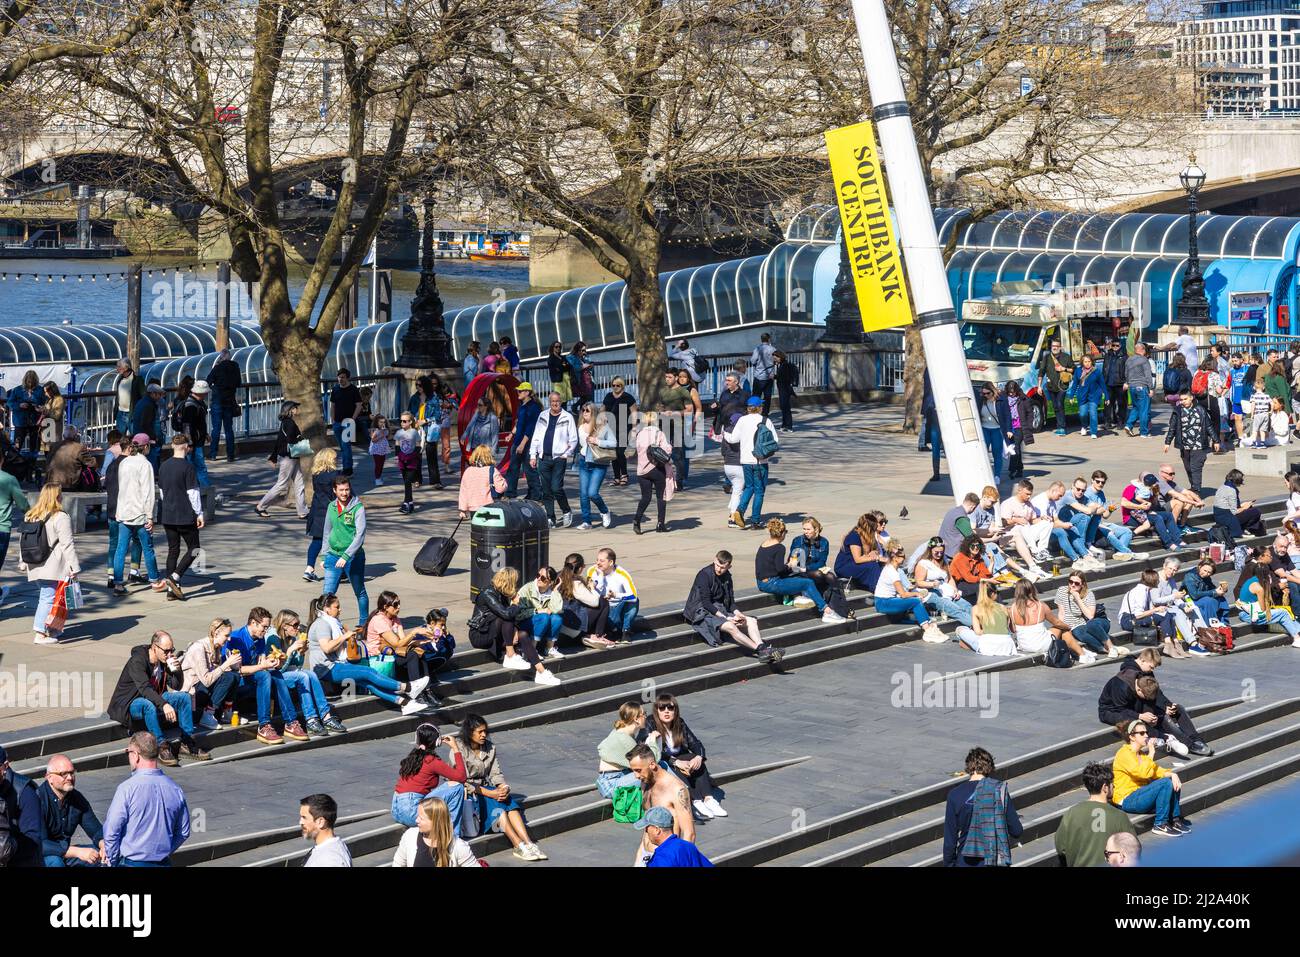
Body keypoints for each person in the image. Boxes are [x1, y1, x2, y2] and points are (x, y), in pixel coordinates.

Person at [307, 593, 429, 713]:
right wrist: (344, 637)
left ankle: (405, 703)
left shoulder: (332, 622)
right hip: (326, 668)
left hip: (336, 664)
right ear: (327, 609)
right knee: (368, 672)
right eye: (337, 607)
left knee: (368, 683)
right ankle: (407, 687)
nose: (340, 609)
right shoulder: (322, 624)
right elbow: (327, 648)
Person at [106, 630, 211, 767]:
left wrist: (177, 671)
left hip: (154, 697)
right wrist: (164, 705)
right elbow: (144, 689)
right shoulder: (137, 661)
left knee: (184, 697)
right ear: (155, 647)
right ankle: (161, 746)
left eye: (171, 650)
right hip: (130, 703)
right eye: (166, 651)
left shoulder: (163, 661)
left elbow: (176, 686)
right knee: (147, 704)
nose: (169, 654)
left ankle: (186, 743)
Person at [454, 713, 546, 860]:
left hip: (486, 788)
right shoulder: (459, 748)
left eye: (485, 731)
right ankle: (518, 845)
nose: (484, 735)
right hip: (468, 792)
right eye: (480, 732)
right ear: (470, 732)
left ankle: (528, 843)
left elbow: (495, 773)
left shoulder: (489, 747)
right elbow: (462, 780)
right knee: (496, 805)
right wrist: (491, 794)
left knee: (509, 801)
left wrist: (503, 787)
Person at [1098, 648, 1212, 757]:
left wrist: (1167, 705)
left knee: (1177, 709)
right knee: (1150, 719)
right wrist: (1141, 715)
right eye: (1151, 667)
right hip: (1112, 711)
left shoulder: (1145, 674)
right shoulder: (1122, 684)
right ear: (1142, 661)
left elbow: (1155, 693)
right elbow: (1120, 709)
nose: (1152, 670)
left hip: (1136, 704)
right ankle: (1186, 743)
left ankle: (1196, 739)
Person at [102, 732, 191, 866]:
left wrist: (113, 861)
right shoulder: (175, 789)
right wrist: (163, 852)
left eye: (128, 752)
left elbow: (111, 831)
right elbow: (183, 832)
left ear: (136, 755)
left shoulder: (127, 789)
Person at [224, 608, 310, 746]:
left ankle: (291, 722)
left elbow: (262, 663)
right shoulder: (235, 639)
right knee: (264, 675)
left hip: (252, 679)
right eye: (264, 627)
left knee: (275, 674)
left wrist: (276, 662)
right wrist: (262, 666)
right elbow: (237, 670)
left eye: (267, 627)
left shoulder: (260, 639)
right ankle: (264, 725)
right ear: (253, 623)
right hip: (234, 684)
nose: (266, 631)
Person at [468, 567, 562, 686]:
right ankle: (510, 655)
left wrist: (516, 630)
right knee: (505, 616)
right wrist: (516, 603)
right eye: (514, 582)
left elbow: (510, 616)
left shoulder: (501, 593)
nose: (515, 585)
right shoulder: (488, 593)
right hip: (480, 635)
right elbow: (506, 614)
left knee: (523, 635)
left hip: (494, 633)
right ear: (507, 581)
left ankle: (541, 672)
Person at [684, 549, 783, 662]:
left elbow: (730, 602)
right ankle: (761, 649)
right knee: (731, 626)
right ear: (714, 560)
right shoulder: (704, 575)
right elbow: (706, 602)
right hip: (701, 612)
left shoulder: (727, 577)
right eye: (717, 565)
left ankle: (763, 649)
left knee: (751, 621)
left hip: (719, 609)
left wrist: (738, 614)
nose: (719, 569)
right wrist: (726, 618)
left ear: (729, 566)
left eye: (722, 567)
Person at [268, 608, 350, 734]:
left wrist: (301, 653)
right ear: (284, 626)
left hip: (289, 671)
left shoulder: (292, 637)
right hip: (275, 675)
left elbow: (298, 665)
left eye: (298, 624)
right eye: (295, 625)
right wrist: (290, 651)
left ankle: (326, 716)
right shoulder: (273, 638)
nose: (297, 628)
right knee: (303, 677)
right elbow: (279, 669)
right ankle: (311, 719)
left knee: (311, 674)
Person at [19, 483, 80, 645]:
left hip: (34, 562)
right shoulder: (60, 517)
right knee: (48, 597)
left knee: (49, 596)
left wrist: (23, 561)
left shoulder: (30, 515)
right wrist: (74, 567)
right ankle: (40, 632)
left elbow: (23, 541)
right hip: (51, 565)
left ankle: (51, 629)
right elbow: (68, 545)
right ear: (57, 497)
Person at [649, 693, 726, 819]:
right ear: (657, 711)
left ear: (675, 710)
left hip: (681, 758)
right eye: (662, 708)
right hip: (663, 762)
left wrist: (699, 756)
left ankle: (709, 799)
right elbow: (652, 752)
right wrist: (675, 761)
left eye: (670, 708)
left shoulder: (679, 723)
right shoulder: (650, 723)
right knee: (677, 765)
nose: (666, 711)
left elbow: (695, 743)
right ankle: (696, 801)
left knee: (694, 758)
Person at [942, 747, 1023, 866]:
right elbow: (1016, 831)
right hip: (992, 860)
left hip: (964, 860)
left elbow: (950, 842)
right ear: (990, 767)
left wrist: (949, 864)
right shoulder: (999, 790)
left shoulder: (955, 795)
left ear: (970, 767)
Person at [755, 518, 846, 623]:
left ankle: (838, 608)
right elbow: (780, 569)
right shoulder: (780, 547)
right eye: (804, 529)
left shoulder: (764, 543)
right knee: (808, 583)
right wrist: (789, 565)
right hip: (772, 582)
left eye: (808, 529)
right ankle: (827, 611)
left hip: (762, 581)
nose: (805, 532)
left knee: (825, 578)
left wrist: (791, 566)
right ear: (782, 533)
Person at [1054, 762, 1138, 867]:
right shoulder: (1119, 816)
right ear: (1105, 788)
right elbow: (1133, 849)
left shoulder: (1072, 813)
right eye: (1111, 783)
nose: (1114, 786)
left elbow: (1060, 847)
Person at [1112, 720, 1187, 837]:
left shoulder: (1141, 755)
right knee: (1165, 784)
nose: (1146, 735)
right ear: (1132, 736)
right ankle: (1160, 824)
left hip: (1141, 796)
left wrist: (1172, 774)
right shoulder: (1124, 754)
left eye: (1146, 732)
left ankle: (1175, 819)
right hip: (1127, 799)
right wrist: (1151, 752)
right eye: (1141, 733)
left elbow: (1157, 770)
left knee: (1171, 780)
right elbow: (1143, 773)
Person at [108, 435, 162, 597]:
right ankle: (154, 580)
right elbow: (148, 492)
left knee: (120, 549)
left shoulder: (124, 462)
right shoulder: (145, 464)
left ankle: (118, 583)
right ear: (145, 447)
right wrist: (150, 516)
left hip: (124, 512)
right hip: (139, 513)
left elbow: (121, 490)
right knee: (148, 548)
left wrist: (119, 512)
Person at [391, 722, 468, 836]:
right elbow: (461, 777)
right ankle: (453, 835)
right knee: (457, 787)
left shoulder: (412, 757)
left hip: (396, 811)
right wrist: (455, 748)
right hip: (412, 812)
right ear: (437, 741)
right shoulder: (432, 761)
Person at [154, 434, 205, 602]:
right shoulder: (188, 467)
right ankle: (175, 576)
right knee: (195, 548)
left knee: (173, 550)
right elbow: (193, 493)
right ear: (186, 447)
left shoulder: (163, 466)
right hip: (184, 514)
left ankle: (171, 590)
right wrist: (199, 513)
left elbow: (161, 492)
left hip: (168, 514)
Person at [37, 754, 105, 867]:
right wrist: (77, 852)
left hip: (67, 854)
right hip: (41, 857)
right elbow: (41, 844)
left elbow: (96, 830)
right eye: (63, 774)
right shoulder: (38, 799)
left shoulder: (76, 798)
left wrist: (103, 844)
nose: (70, 778)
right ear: (49, 778)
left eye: (72, 773)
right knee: (55, 862)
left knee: (107, 854)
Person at [321, 474, 369, 625]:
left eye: (347, 490)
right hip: (333, 555)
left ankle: (363, 624)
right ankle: (326, 624)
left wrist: (346, 556)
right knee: (327, 595)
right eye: (341, 490)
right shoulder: (331, 506)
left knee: (359, 591)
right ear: (335, 490)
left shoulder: (358, 508)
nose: (344, 493)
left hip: (353, 557)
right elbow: (326, 531)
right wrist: (324, 555)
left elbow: (360, 536)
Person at [724, 395, 778, 530]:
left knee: (749, 487)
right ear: (759, 408)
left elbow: (733, 439)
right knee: (759, 491)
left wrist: (723, 433)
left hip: (745, 461)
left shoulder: (742, 420)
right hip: (761, 460)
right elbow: (775, 441)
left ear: (748, 408)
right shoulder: (766, 420)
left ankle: (739, 510)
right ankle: (755, 521)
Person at [876, 541, 947, 641]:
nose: (904, 557)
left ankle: (929, 625)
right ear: (895, 557)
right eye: (901, 555)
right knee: (916, 601)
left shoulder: (894, 570)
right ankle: (928, 630)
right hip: (883, 602)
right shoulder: (892, 572)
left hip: (887, 600)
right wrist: (917, 593)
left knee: (915, 600)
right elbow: (904, 594)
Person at [629, 743, 695, 848]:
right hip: (647, 855)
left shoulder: (677, 789)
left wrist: (679, 859)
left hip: (667, 856)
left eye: (638, 770)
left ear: (652, 764)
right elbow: (647, 827)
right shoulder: (645, 783)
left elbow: (689, 834)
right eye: (633, 771)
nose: (636, 776)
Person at [179, 617, 240, 730]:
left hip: (204, 688)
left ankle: (227, 712)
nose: (229, 639)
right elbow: (207, 680)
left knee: (235, 675)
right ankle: (207, 715)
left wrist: (234, 666)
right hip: (192, 692)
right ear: (216, 633)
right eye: (226, 635)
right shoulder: (199, 648)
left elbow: (218, 673)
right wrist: (226, 664)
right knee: (228, 677)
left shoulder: (216, 648)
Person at [1009, 579, 1091, 661]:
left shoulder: (1012, 608)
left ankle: (1078, 652)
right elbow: (1057, 622)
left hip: (1024, 646)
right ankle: (1082, 655)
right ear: (1032, 589)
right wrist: (1068, 627)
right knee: (1062, 629)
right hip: (1041, 645)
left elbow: (1013, 630)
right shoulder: (1040, 605)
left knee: (1054, 630)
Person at [530, 390, 578, 528]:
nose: (555, 404)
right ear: (549, 402)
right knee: (546, 490)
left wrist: (566, 453)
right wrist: (533, 455)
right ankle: (550, 517)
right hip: (543, 458)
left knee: (556, 487)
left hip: (559, 458)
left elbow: (573, 439)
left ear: (561, 401)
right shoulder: (542, 415)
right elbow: (536, 436)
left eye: (557, 401)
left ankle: (566, 510)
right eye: (552, 401)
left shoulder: (567, 417)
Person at [255, 401, 308, 518]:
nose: (296, 410)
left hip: (293, 457)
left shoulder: (287, 422)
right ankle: (261, 506)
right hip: (289, 458)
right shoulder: (289, 423)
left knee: (299, 484)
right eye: (295, 408)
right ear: (289, 410)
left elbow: (279, 440)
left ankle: (303, 512)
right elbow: (288, 440)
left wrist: (273, 457)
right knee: (281, 485)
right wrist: (300, 440)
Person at [392, 796, 478, 867]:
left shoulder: (458, 846)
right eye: (417, 816)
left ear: (436, 821)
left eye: (421, 818)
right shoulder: (410, 836)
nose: (416, 820)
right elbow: (398, 864)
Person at [1055, 571, 1126, 658]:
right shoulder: (1061, 591)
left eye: (1076, 583)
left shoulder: (1088, 594)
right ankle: (1106, 649)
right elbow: (1061, 613)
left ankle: (1111, 647)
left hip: (1090, 622)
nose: (1072, 585)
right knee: (1080, 634)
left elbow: (1090, 616)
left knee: (1088, 627)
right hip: (1072, 625)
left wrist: (1077, 598)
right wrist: (1063, 627)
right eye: (1070, 582)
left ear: (1083, 584)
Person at [597, 703, 660, 799]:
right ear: (636, 719)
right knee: (656, 770)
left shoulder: (621, 731)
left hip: (613, 778)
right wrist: (652, 742)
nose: (646, 717)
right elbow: (652, 761)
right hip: (611, 785)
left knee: (657, 771)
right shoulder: (625, 739)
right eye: (644, 714)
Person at [1235, 556, 1300, 647]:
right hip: (1250, 615)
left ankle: (1298, 634)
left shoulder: (1250, 580)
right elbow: (1263, 609)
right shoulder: (1258, 588)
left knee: (1283, 614)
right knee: (1283, 613)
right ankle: (1297, 638)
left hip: (1247, 612)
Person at [912, 536, 974, 626]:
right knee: (956, 610)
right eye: (936, 552)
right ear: (930, 550)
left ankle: (984, 624)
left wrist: (955, 590)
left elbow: (949, 578)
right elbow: (919, 582)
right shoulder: (923, 563)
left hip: (947, 591)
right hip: (932, 594)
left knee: (967, 606)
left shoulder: (944, 560)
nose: (939, 554)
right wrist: (932, 584)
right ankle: (976, 627)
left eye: (941, 552)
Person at [1164, 392, 1218, 494]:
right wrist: (1167, 442)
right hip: (1184, 446)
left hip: (1199, 445)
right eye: (1181, 400)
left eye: (1185, 399)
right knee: (1188, 468)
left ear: (1191, 398)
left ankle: (1196, 490)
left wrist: (1216, 440)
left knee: (1195, 468)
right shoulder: (1177, 411)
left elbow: (1208, 426)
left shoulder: (1200, 410)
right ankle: (1194, 486)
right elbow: (1172, 428)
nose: (1183, 402)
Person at [559, 552, 613, 649]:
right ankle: (597, 635)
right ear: (579, 568)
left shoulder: (558, 576)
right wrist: (592, 588)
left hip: (559, 622)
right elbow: (594, 602)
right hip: (571, 627)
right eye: (583, 566)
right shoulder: (575, 582)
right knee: (603, 602)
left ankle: (589, 635)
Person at [633, 408, 674, 534]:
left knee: (645, 497)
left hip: (642, 471)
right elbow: (667, 451)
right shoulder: (659, 433)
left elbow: (637, 450)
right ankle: (660, 524)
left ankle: (637, 520)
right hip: (657, 469)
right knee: (661, 497)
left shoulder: (639, 434)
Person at [0, 744, 42, 867]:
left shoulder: (25, 791)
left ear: (5, 766)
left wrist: (9, 847)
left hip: (21, 861)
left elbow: (33, 838)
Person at [952, 580, 1019, 655]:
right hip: (1007, 646)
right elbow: (1013, 630)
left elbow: (978, 632)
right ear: (993, 593)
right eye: (997, 593)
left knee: (960, 629)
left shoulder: (976, 608)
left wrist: (987, 631)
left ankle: (968, 644)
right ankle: (967, 644)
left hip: (988, 647)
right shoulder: (1003, 607)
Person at [515, 565, 567, 661]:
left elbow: (557, 609)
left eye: (543, 578)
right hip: (524, 623)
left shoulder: (551, 592)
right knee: (544, 617)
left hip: (541, 623)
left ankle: (549, 648)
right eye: (538, 575)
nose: (539, 578)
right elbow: (517, 613)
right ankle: (531, 650)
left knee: (557, 618)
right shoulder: (527, 589)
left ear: (550, 582)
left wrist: (555, 590)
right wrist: (536, 611)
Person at [576, 403, 616, 529]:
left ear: (593, 412)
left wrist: (597, 441)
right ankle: (586, 521)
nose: (584, 412)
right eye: (583, 410)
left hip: (599, 463)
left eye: (587, 410)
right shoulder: (580, 427)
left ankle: (604, 511)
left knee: (592, 493)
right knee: (583, 494)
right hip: (584, 461)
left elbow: (614, 442)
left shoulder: (602, 426)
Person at [588, 547, 639, 642]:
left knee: (634, 603)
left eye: (602, 561)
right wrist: (600, 576)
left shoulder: (622, 574)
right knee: (613, 620)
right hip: (602, 608)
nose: (598, 563)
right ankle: (614, 631)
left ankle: (626, 631)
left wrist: (615, 595)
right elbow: (590, 588)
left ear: (611, 562)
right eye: (597, 560)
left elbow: (633, 596)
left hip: (618, 605)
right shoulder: (592, 570)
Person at [1121, 473, 1183, 550]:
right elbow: (1124, 503)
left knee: (1168, 515)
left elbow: (1151, 505)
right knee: (1157, 518)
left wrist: (1155, 495)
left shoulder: (1148, 489)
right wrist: (1140, 506)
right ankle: (1169, 544)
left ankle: (1178, 540)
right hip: (1131, 517)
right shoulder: (1131, 488)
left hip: (1144, 512)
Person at [303, 447, 338, 582]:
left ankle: (309, 569)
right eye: (335, 458)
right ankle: (338, 570)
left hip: (317, 509)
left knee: (317, 541)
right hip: (331, 511)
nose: (337, 459)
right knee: (337, 540)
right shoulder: (335, 475)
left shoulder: (316, 475)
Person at [638, 805, 714, 867]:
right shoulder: (688, 846)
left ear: (657, 830)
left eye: (647, 827)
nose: (646, 831)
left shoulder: (661, 859)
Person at [507, 381, 543, 498]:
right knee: (513, 469)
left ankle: (536, 494)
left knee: (529, 470)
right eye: (518, 390)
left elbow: (530, 428)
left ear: (527, 392)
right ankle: (510, 493)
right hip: (517, 442)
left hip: (528, 443)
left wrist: (522, 444)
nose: (518, 392)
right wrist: (511, 434)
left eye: (520, 391)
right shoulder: (521, 405)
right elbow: (519, 423)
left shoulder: (534, 407)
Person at [834, 512, 884, 592]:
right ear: (868, 527)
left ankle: (887, 587)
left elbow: (876, 549)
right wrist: (876, 558)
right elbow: (858, 559)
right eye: (874, 528)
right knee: (873, 566)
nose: (875, 530)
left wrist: (875, 552)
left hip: (857, 563)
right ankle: (877, 591)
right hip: (845, 566)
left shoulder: (869, 535)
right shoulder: (854, 536)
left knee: (882, 564)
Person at [207, 348, 242, 462]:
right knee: (228, 429)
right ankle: (230, 455)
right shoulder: (235, 367)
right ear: (230, 357)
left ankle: (213, 454)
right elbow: (238, 383)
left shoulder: (217, 367)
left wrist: (215, 387)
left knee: (216, 429)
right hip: (229, 401)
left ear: (221, 357)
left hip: (217, 401)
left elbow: (208, 381)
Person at [602, 377, 637, 488]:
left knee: (621, 452)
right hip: (611, 428)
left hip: (624, 428)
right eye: (614, 385)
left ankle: (625, 475)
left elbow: (634, 413)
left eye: (618, 385)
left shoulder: (628, 397)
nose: (616, 387)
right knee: (614, 453)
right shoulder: (608, 396)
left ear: (622, 386)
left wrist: (635, 428)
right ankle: (616, 477)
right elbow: (603, 409)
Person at [300, 793, 351, 866]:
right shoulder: (327, 849)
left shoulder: (330, 859)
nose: (301, 822)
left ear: (320, 822)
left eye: (304, 818)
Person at [458, 444, 506, 518]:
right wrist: (503, 480)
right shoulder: (492, 470)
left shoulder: (468, 471)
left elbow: (463, 492)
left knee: (477, 528)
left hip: (473, 508)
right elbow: (501, 488)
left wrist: (462, 510)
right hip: (490, 506)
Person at [178, 380, 211, 487]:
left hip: (196, 440)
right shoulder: (191, 406)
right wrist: (190, 444)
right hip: (194, 442)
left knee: (195, 467)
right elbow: (187, 426)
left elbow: (196, 424)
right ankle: (205, 491)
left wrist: (204, 434)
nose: (207, 394)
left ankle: (199, 489)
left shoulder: (195, 403)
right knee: (199, 467)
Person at [1038, 337, 1075, 435]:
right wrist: (1039, 386)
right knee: (1055, 406)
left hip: (1063, 386)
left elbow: (1073, 369)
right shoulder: (1047, 357)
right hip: (1051, 386)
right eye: (1052, 346)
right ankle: (1059, 426)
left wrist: (1064, 369)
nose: (1054, 348)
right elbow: (1041, 371)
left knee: (1059, 404)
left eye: (1056, 346)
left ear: (1060, 347)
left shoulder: (1066, 357)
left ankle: (1062, 427)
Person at [329, 368, 361, 476]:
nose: (340, 379)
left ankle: (347, 469)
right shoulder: (335, 389)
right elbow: (332, 405)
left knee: (346, 445)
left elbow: (359, 405)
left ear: (347, 378)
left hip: (348, 422)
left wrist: (353, 418)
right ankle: (347, 467)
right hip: (337, 422)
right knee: (342, 447)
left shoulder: (353, 389)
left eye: (343, 377)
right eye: (339, 377)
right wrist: (332, 419)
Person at [976, 382, 1010, 482]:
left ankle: (997, 476)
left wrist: (1008, 429)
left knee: (997, 453)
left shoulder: (1001, 400)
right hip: (984, 428)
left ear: (993, 391)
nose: (985, 395)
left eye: (987, 393)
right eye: (983, 393)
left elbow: (1007, 415)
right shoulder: (981, 400)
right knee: (983, 453)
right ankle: (983, 474)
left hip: (997, 429)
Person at [1183, 557, 1231, 625]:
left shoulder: (1206, 577)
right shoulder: (1190, 576)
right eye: (1205, 570)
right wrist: (1214, 592)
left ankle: (1223, 622)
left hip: (1201, 597)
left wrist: (1221, 590)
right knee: (1209, 601)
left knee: (1221, 598)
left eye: (1209, 572)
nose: (1206, 574)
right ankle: (1210, 625)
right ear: (1200, 567)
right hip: (1189, 599)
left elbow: (1211, 587)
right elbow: (1194, 595)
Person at [129, 381, 166, 468]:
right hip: (148, 439)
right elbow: (145, 424)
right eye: (159, 394)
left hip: (140, 436)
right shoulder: (148, 405)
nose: (160, 397)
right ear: (153, 394)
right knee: (152, 463)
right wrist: (154, 437)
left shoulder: (142, 402)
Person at [393, 411, 424, 514]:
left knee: (408, 481)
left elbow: (418, 446)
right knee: (406, 483)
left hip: (412, 461)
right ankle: (409, 503)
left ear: (410, 422)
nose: (402, 423)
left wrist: (412, 456)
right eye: (401, 421)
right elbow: (397, 446)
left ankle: (406, 502)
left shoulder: (414, 432)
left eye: (405, 421)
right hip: (402, 460)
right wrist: (398, 457)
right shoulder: (399, 432)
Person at [1124, 341, 1154, 436]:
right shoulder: (1144, 360)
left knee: (1136, 407)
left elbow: (1126, 374)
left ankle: (1129, 425)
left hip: (1132, 387)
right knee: (1144, 409)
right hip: (1142, 386)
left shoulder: (1129, 360)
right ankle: (1144, 432)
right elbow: (1148, 375)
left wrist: (1128, 383)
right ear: (1142, 350)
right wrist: (1151, 388)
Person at [8, 370, 42, 452]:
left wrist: (37, 406)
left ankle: (33, 462)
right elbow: (10, 403)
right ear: (25, 380)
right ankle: (15, 461)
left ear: (36, 381)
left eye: (32, 382)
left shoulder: (40, 390)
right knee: (17, 444)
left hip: (35, 421)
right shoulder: (17, 390)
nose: (30, 384)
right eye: (29, 382)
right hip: (20, 421)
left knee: (34, 444)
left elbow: (45, 402)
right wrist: (19, 405)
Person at [1073, 354, 1106, 438]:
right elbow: (1075, 384)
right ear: (1082, 362)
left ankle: (1093, 432)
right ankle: (1084, 426)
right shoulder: (1078, 371)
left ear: (1092, 362)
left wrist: (1107, 396)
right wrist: (1071, 396)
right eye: (1085, 362)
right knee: (1083, 414)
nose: (1087, 363)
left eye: (1089, 361)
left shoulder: (1097, 371)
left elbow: (1102, 384)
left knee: (1093, 413)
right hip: (1082, 396)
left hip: (1094, 395)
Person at [111, 359, 145, 438]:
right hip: (120, 413)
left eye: (119, 367)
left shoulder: (137, 380)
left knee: (136, 437)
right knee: (119, 438)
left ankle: (136, 450)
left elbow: (143, 396)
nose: (117, 369)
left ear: (126, 367)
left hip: (132, 413)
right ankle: (121, 450)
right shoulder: (120, 380)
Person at [1103, 338, 1129, 428]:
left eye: (1117, 345)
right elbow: (1104, 369)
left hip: (1120, 383)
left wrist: (1127, 382)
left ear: (1120, 346)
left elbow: (1128, 371)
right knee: (1108, 403)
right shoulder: (1108, 355)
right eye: (1113, 345)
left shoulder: (1125, 356)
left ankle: (1121, 421)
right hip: (1109, 383)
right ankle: (1108, 422)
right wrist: (1103, 381)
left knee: (1122, 403)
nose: (1114, 347)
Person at [750, 332, 777, 417]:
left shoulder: (757, 349)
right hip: (769, 376)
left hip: (758, 376)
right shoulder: (773, 349)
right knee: (767, 396)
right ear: (769, 339)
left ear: (761, 340)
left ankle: (755, 412)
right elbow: (776, 360)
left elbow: (753, 361)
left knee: (756, 395)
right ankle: (765, 413)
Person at [773, 350, 798, 432]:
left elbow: (785, 378)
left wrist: (775, 377)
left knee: (786, 407)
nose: (775, 359)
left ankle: (789, 426)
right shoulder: (781, 365)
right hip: (783, 388)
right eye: (774, 358)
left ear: (780, 357)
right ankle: (784, 425)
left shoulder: (785, 365)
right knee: (783, 407)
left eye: (776, 357)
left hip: (785, 389)